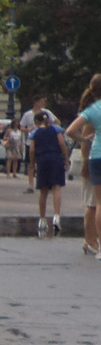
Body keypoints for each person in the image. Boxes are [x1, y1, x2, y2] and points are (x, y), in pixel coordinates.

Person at [64, 75, 101, 256]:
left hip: (94, 160)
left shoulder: (92, 110)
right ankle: (90, 239)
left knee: (94, 203)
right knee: (92, 203)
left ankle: (91, 240)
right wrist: (86, 163)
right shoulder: (93, 112)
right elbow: (85, 142)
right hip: (91, 160)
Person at [29, 110, 68, 234]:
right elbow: (62, 143)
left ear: (36, 121)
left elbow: (32, 149)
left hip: (42, 160)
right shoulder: (56, 129)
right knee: (56, 188)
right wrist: (66, 159)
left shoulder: (34, 133)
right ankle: (56, 217)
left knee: (43, 190)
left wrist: (32, 164)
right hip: (56, 158)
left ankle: (42, 219)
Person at [20, 97, 59, 193]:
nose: (43, 103)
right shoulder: (28, 114)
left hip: (44, 141)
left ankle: (47, 183)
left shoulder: (47, 113)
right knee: (31, 163)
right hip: (31, 141)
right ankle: (31, 185)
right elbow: (21, 127)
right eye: (41, 101)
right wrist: (27, 129)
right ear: (36, 102)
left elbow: (57, 121)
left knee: (44, 163)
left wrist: (49, 125)